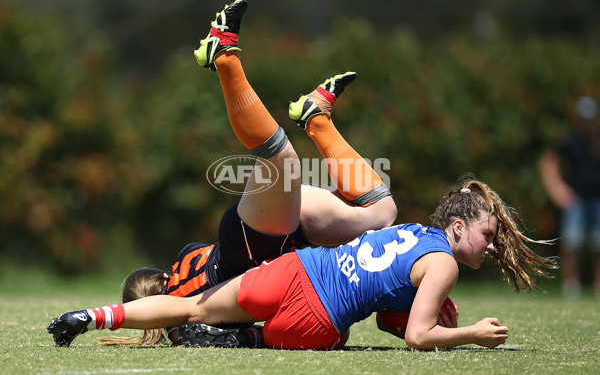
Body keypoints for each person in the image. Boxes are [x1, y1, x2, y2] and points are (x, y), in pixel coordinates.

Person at [48, 0, 397, 347]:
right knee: (382, 214)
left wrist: (95, 316)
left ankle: (222, 56)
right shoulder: (182, 263)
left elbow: (187, 310)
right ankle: (316, 116)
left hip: (253, 245)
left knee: (281, 157)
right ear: (159, 275)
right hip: (274, 238)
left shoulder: (178, 310)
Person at [48, 175, 557, 351]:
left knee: (191, 309)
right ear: (460, 227)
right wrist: (472, 332)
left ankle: (90, 317)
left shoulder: (413, 232)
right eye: (489, 237)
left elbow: (391, 313)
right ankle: (246, 339)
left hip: (298, 269)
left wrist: (411, 312)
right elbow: (417, 339)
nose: (490, 248)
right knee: (335, 338)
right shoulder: (442, 262)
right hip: (317, 320)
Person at [539, 95, 600, 298]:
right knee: (571, 244)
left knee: (597, 245)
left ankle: (598, 286)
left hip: (598, 199)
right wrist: (557, 188)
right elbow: (548, 161)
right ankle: (571, 286)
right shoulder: (570, 140)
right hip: (576, 201)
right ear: (578, 118)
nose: (587, 121)